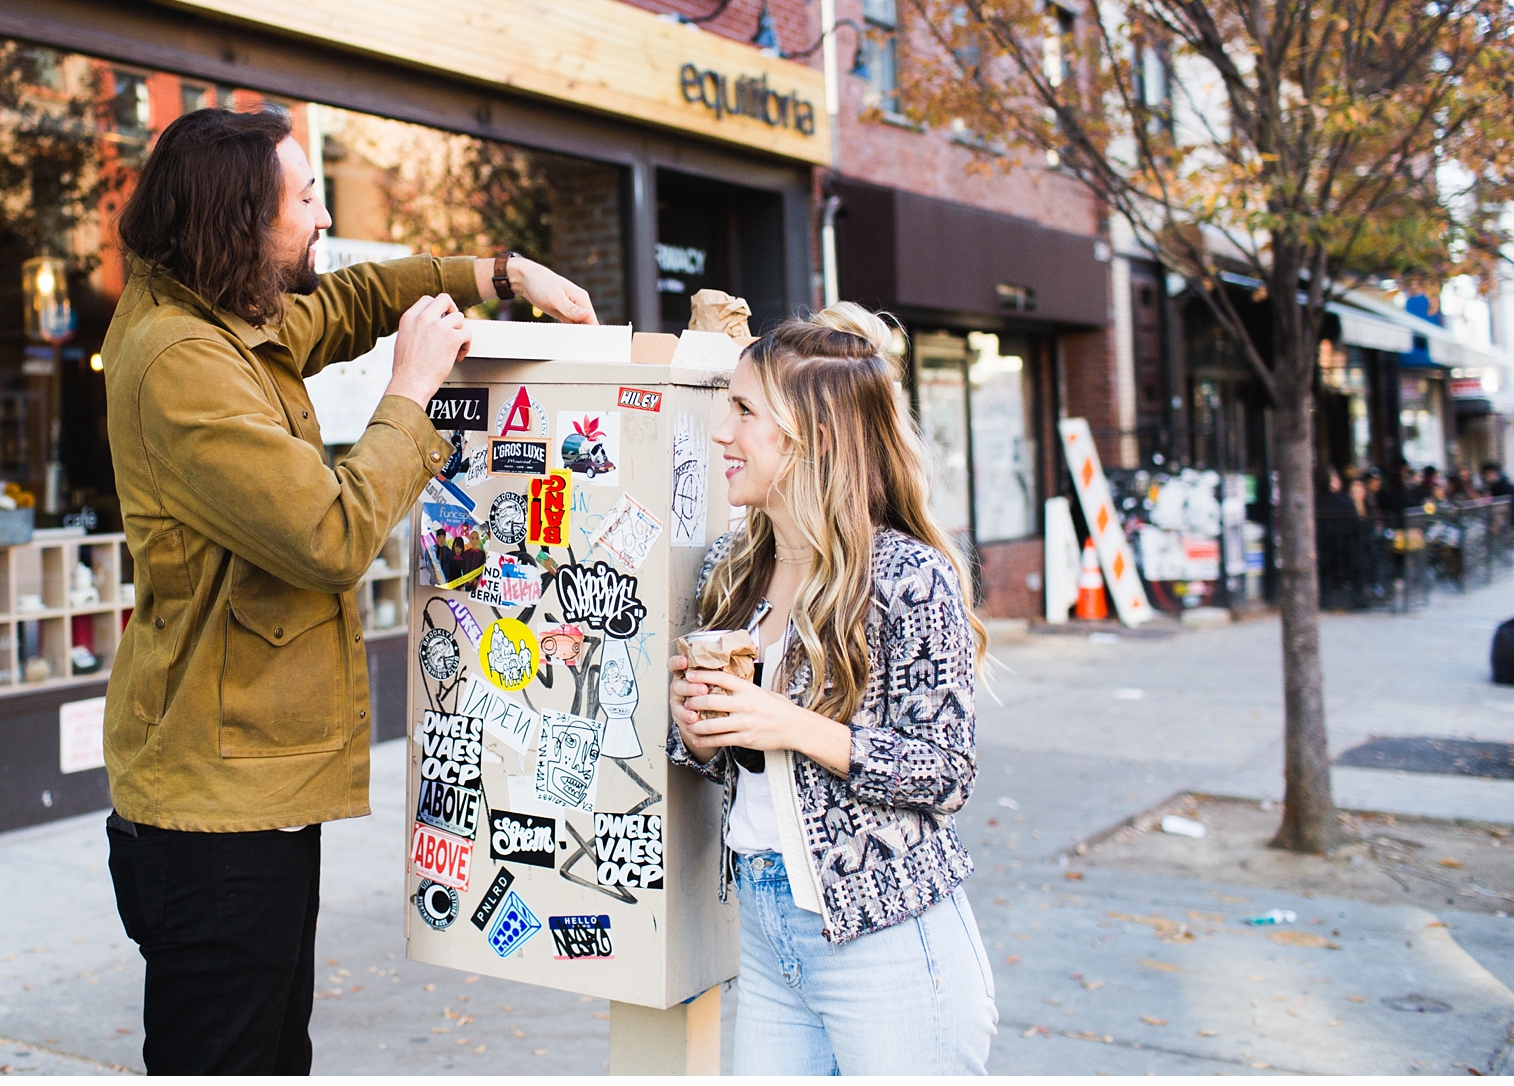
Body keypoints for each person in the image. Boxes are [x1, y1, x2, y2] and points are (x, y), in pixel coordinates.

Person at [99, 105, 596, 1075]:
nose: (322, 214)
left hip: (252, 798)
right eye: (305, 196)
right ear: (240, 222)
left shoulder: (227, 316)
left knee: (276, 1056)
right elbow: (327, 534)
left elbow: (359, 296)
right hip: (213, 822)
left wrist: (498, 273)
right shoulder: (183, 363)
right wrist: (407, 393)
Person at [666, 304, 996, 1075]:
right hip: (768, 927)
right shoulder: (732, 569)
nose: (722, 432)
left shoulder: (907, 576)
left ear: (810, 433)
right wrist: (702, 735)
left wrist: (790, 723)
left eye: (744, 410)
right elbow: (743, 771)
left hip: (885, 937)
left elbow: (947, 771)